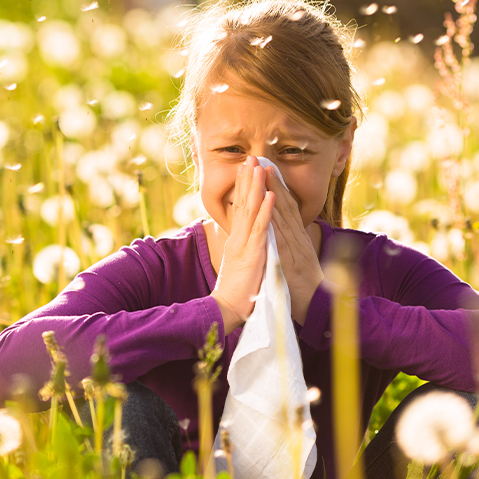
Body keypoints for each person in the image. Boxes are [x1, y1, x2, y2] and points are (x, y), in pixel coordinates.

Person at [0, 0, 478, 478]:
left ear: (342, 149)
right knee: (111, 400)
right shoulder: (157, 269)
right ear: (196, 145)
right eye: (231, 149)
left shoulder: (374, 265)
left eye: (292, 151)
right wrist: (218, 311)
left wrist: (327, 307)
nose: (261, 178)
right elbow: (10, 363)